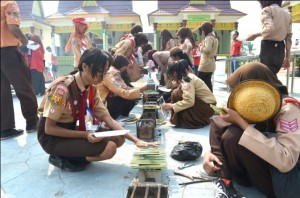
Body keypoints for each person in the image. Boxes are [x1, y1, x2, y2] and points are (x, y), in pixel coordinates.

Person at [37, 48, 159, 172]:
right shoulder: (62, 88)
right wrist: (85, 134)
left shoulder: (91, 89)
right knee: (109, 148)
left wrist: (136, 140)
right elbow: (49, 129)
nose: (102, 77)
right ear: (85, 67)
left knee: (119, 138)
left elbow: (109, 119)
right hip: (51, 138)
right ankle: (61, 157)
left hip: (70, 128)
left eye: (105, 72)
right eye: (100, 72)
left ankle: (73, 154)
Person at [202, 62, 300, 198]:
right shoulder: (254, 105)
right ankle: (223, 178)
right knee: (219, 122)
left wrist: (241, 122)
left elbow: (286, 161)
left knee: (234, 134)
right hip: (258, 174)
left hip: (282, 182)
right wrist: (210, 153)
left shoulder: (288, 109)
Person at [1, 1, 38, 140]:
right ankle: (32, 122)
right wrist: (24, 40)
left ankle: (5, 128)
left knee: (2, 91)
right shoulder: (9, 3)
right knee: (24, 86)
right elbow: (13, 27)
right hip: (9, 52)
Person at [162, 60, 216, 129]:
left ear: (175, 73)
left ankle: (196, 120)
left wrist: (172, 106)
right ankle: (195, 119)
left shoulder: (186, 80)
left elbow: (189, 101)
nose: (170, 78)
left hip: (207, 108)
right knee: (176, 92)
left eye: (169, 75)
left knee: (176, 93)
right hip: (208, 106)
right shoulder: (187, 77)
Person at [246, 0, 292, 76]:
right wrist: (287, 57)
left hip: (268, 47)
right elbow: (288, 37)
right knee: (272, 75)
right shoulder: (287, 15)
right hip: (280, 49)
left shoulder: (267, 10)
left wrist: (255, 35)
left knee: (266, 76)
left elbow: (270, 28)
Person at [97, 54, 147, 119]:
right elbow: (123, 92)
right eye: (126, 66)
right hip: (101, 107)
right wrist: (142, 89)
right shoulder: (109, 74)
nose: (126, 69)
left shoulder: (108, 73)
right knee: (127, 100)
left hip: (100, 105)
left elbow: (121, 88)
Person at [197, 22, 219, 92]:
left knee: (200, 81)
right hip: (211, 62)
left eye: (203, 30)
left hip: (205, 63)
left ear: (205, 29)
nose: (202, 31)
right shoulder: (214, 37)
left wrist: (200, 47)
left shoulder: (208, 38)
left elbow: (207, 49)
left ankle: (202, 98)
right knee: (208, 82)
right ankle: (210, 97)